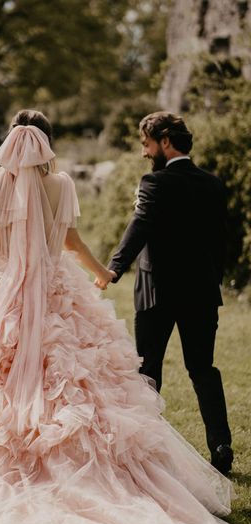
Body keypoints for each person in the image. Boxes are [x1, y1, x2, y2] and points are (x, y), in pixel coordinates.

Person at [0, 109, 248, 524]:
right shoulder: (61, 184)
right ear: (47, 143)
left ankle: (14, 465)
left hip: (9, 295)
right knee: (81, 378)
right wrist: (103, 273)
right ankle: (127, 466)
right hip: (62, 292)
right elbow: (72, 244)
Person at [107, 112, 233, 475]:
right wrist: (213, 279)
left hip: (156, 292)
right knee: (203, 369)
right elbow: (220, 243)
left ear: (164, 141)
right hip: (202, 293)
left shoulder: (154, 183)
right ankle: (221, 444)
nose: (144, 152)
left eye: (146, 143)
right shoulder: (213, 184)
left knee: (148, 370)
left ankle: (146, 453)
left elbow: (140, 226)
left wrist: (114, 268)